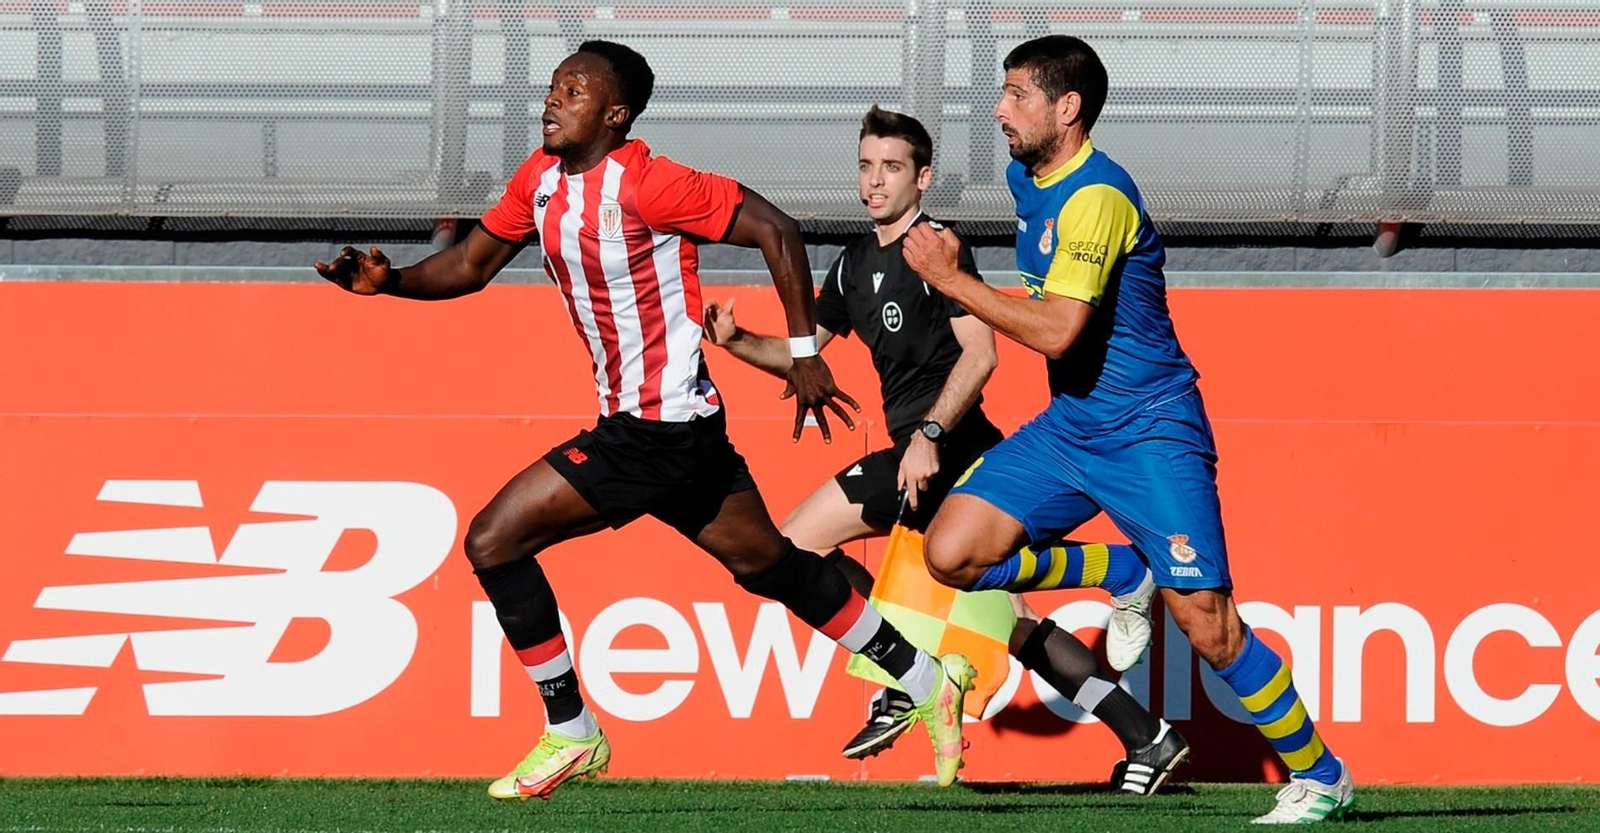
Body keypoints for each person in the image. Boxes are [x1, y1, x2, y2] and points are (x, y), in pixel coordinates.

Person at [315, 40, 973, 800]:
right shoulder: (539, 180)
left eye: (574, 90)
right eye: (554, 86)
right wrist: (390, 281)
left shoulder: (649, 182)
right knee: (770, 564)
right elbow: (468, 265)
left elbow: (778, 228)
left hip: (654, 430)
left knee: (492, 538)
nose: (553, 100)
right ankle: (927, 674)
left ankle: (571, 731)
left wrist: (801, 351)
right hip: (679, 429)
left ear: (615, 114)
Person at [903, 35, 1356, 823]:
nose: (999, 109)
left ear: (1067, 108)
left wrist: (955, 280)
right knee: (951, 554)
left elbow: (1056, 334)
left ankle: (1321, 775)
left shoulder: (1098, 197)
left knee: (1210, 629)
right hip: (1072, 427)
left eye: (1016, 95)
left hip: (1151, 431)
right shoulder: (1028, 176)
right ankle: (1122, 572)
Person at [704, 105, 1185, 793]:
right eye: (866, 166)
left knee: (1006, 622)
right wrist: (739, 340)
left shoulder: (937, 250)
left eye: (891, 167)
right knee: (799, 552)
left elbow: (981, 354)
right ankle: (1141, 733)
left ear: (923, 178)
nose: (874, 182)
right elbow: (806, 357)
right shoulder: (851, 265)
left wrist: (930, 436)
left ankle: (932, 666)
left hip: (955, 451)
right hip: (911, 454)